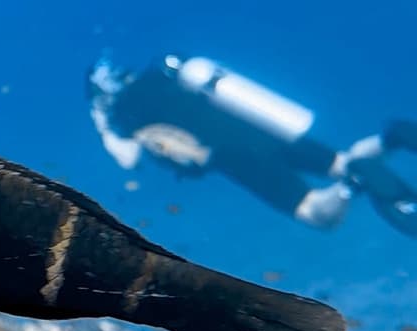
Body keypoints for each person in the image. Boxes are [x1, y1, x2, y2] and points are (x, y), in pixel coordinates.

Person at [86, 53, 417, 238]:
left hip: (235, 156)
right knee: (339, 161)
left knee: (314, 213)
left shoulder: (127, 115)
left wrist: (101, 118)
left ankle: (352, 185)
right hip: (265, 127)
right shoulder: (163, 75)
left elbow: (128, 160)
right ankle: (391, 138)